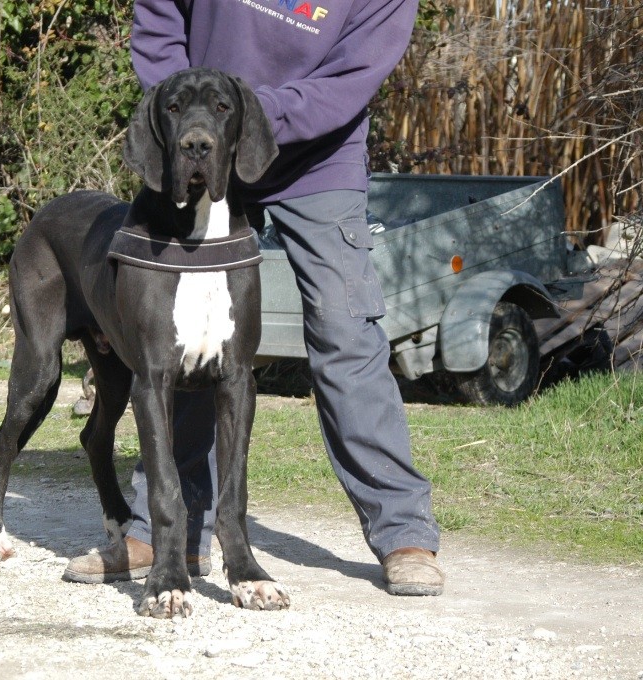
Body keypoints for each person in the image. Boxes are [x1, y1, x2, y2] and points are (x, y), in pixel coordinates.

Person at [64, 0, 444, 596]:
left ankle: (403, 532)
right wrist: (197, 121)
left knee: (345, 329)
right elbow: (159, 24)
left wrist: (250, 117)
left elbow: (352, 75)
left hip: (317, 158)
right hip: (203, 143)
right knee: (176, 331)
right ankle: (169, 534)